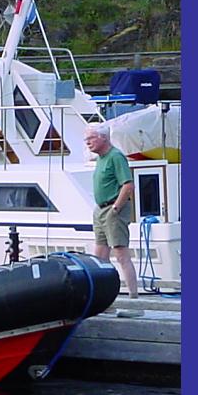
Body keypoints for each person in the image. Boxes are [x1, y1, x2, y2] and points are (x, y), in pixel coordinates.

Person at [84, 123, 139, 299]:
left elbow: (128, 185)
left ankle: (133, 296)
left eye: (91, 138)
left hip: (112, 209)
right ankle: (103, 297)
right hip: (100, 210)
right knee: (100, 257)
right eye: (86, 138)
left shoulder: (116, 156)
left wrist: (116, 208)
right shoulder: (100, 158)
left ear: (103, 137)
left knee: (121, 254)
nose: (87, 142)